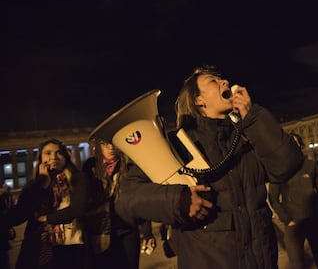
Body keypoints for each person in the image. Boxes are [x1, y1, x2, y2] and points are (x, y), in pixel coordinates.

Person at [110, 65, 304, 269]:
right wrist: (178, 201)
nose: (225, 82)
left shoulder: (247, 135)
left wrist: (252, 116)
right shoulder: (178, 144)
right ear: (198, 100)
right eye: (213, 81)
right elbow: (127, 197)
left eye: (222, 79)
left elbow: (287, 165)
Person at [1, 138, 89, 269]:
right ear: (41, 158)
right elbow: (19, 216)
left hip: (73, 245)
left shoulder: (78, 179)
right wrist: (42, 185)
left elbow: (78, 209)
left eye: (58, 153)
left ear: (65, 157)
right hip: (39, 247)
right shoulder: (33, 186)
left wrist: (46, 218)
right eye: (48, 153)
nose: (54, 157)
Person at [81, 140, 155, 269]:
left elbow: (140, 200)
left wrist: (147, 232)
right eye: (105, 143)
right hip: (100, 231)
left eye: (114, 143)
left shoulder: (130, 166)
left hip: (127, 230)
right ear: (99, 145)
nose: (111, 147)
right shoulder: (90, 166)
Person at [268, 133, 318, 269]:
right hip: (293, 224)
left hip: (314, 220)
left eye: (295, 142)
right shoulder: (278, 169)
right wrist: (286, 219)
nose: (292, 146)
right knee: (297, 263)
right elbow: (273, 197)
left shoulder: (310, 164)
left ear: (300, 145)